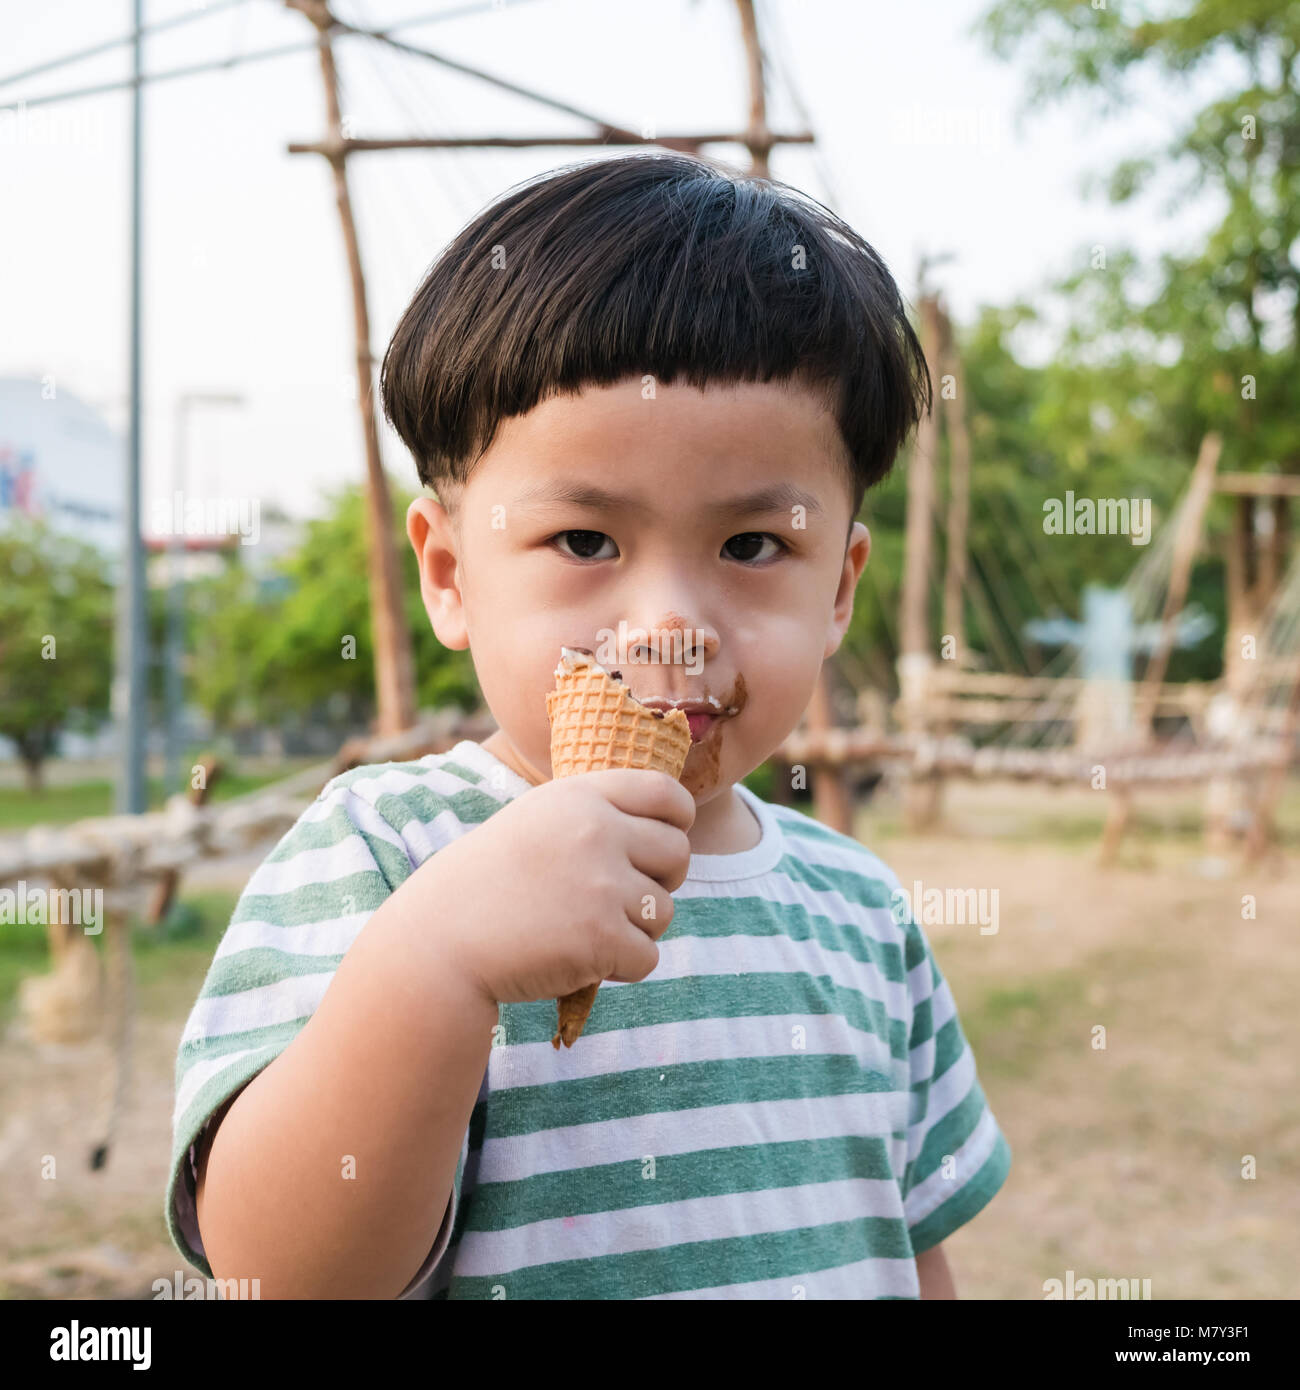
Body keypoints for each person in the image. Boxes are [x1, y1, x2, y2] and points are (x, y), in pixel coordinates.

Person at [165, 151, 1010, 1299]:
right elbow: (279, 1272)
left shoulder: (859, 910)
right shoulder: (383, 856)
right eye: (584, 542)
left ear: (841, 589)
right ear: (452, 572)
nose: (667, 628)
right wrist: (438, 962)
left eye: (753, 546)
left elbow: (908, 1249)